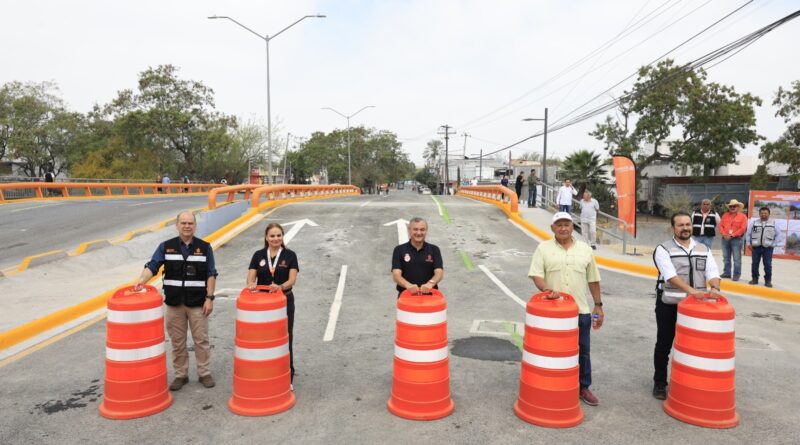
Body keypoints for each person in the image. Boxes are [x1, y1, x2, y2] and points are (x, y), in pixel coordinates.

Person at [134, 211, 218, 391]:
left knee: (201, 340)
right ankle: (181, 375)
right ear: (177, 225)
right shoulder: (166, 246)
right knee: (177, 342)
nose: (187, 226)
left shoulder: (205, 247)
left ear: (195, 226)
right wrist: (142, 281)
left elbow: (211, 273)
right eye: (183, 223)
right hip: (174, 304)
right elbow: (152, 266)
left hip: (197, 303)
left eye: (190, 223)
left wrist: (209, 298)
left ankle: (204, 373)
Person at [529, 212, 604, 406]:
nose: (563, 228)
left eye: (567, 224)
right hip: (553, 313)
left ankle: (583, 387)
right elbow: (536, 275)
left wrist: (598, 305)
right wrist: (547, 289)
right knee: (551, 351)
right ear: (552, 228)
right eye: (559, 225)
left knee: (583, 350)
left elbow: (593, 280)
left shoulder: (586, 250)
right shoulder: (543, 248)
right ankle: (551, 384)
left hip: (581, 311)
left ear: (573, 227)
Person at [652, 211, 721, 400]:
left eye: (688, 225)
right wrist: (692, 291)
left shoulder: (703, 249)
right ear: (672, 228)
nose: (685, 228)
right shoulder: (663, 249)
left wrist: (714, 287)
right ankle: (659, 382)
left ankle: (691, 382)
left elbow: (712, 271)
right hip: (670, 304)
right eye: (681, 225)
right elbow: (670, 276)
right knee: (665, 344)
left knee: (695, 347)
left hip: (696, 309)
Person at [247, 223, 300, 383]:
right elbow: (251, 277)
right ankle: (266, 373)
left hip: (284, 302)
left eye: (278, 235)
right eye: (272, 236)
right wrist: (251, 284)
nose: (276, 239)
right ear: (266, 238)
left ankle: (288, 376)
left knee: (285, 337)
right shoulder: (258, 255)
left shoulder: (290, 255)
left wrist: (280, 287)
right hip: (263, 305)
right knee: (264, 339)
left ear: (282, 237)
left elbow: (292, 280)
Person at [392, 218, 444, 298]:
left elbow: (439, 272)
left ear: (426, 231)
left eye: (422, 230)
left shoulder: (434, 249)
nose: (419, 233)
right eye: (415, 229)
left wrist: (430, 283)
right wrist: (408, 285)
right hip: (406, 296)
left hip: (430, 297)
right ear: (409, 230)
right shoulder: (399, 250)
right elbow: (396, 274)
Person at [746, 207, 782, 288]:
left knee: (768, 265)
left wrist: (774, 244)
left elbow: (779, 235)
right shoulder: (754, 223)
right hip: (756, 247)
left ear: (769, 214)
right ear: (759, 214)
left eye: (765, 213)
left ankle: (768, 281)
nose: (763, 215)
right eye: (762, 213)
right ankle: (754, 279)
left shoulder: (773, 223)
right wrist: (748, 244)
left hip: (768, 248)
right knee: (755, 264)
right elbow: (748, 234)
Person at [719, 199, 748, 281]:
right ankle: (727, 273)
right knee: (726, 257)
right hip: (725, 239)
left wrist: (732, 235)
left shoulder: (743, 216)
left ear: (738, 207)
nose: (732, 207)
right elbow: (721, 226)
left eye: (734, 206)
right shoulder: (725, 215)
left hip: (736, 239)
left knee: (737, 258)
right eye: (731, 206)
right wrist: (724, 234)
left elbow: (743, 228)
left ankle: (736, 274)